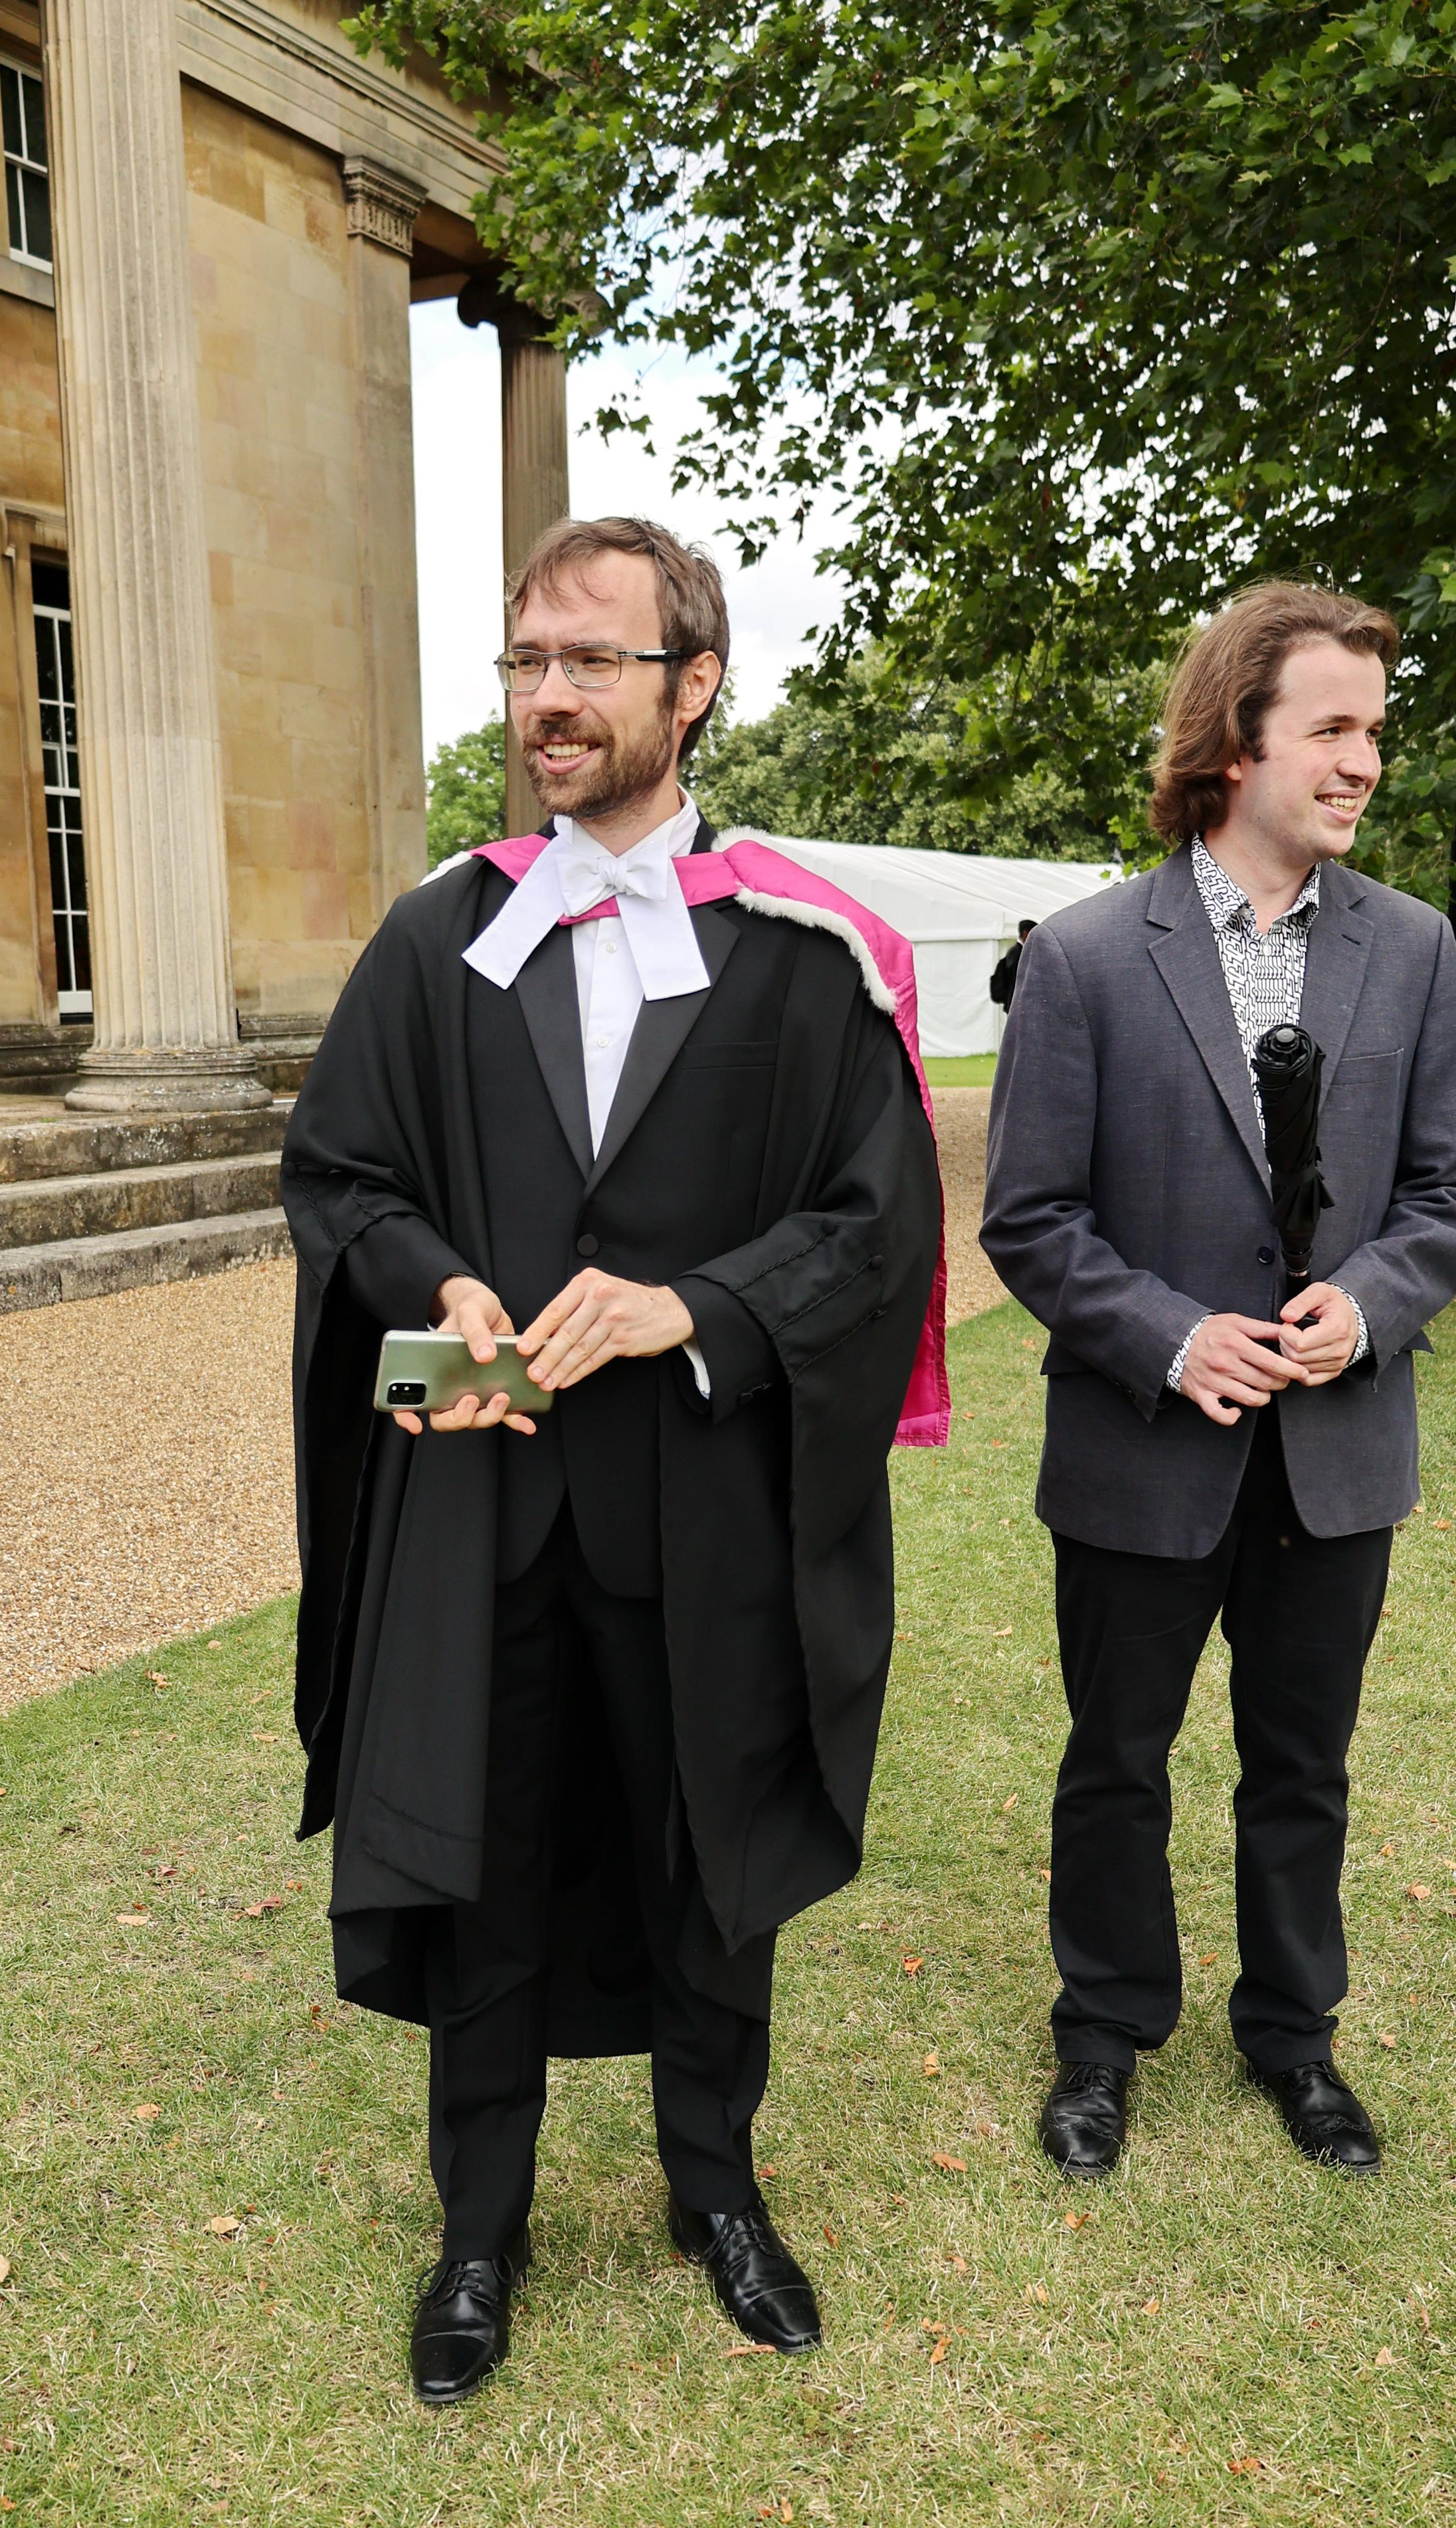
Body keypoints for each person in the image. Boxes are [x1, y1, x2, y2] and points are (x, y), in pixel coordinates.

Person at [281, 517, 945, 2402]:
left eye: (589, 663)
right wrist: (439, 1277)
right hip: (481, 1496)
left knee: (699, 1852)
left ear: (694, 687)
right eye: (526, 665)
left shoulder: (806, 959)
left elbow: (873, 1219)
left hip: (706, 1508)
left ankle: (714, 2186)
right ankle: (477, 2228)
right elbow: (341, 1177)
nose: (547, 700)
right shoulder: (439, 942)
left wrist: (696, 1308)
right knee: (480, 1848)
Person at [980, 582, 1456, 2184]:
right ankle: (1102, 2029)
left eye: (1371, 733)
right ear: (1230, 743)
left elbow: (1450, 1191)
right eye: (1330, 729)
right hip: (1144, 1444)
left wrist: (1363, 1304)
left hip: (1335, 1449)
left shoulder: (1410, 951)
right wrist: (1167, 1333)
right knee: (1113, 1757)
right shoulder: (1078, 958)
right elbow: (1028, 1216)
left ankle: (1292, 2032)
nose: (1361, 764)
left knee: (1302, 1762)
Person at [989, 918, 1037, 1014]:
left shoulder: (1017, 952)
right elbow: (1017, 980)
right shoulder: (1017, 953)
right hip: (1016, 1004)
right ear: (1026, 934)